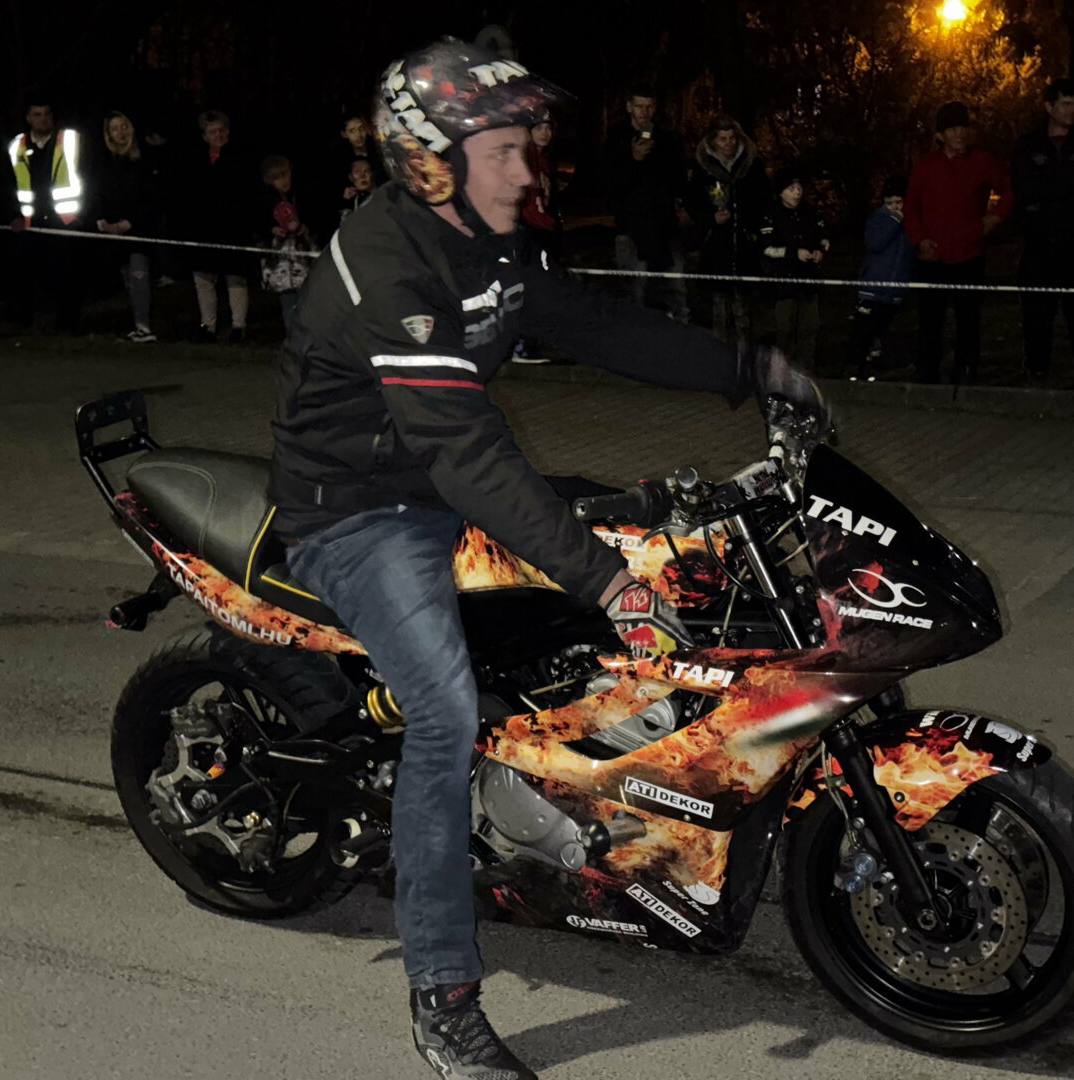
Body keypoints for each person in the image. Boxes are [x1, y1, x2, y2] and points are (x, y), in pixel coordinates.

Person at [268, 38, 822, 1080]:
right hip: (360, 512)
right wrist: (607, 582)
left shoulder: (490, 241)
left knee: (659, 539)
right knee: (443, 713)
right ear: (431, 163)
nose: (529, 170)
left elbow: (590, 322)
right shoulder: (389, 264)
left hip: (442, 480)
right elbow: (468, 455)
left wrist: (747, 370)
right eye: (506, 151)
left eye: (530, 147)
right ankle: (443, 999)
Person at [904, 101, 1014, 383]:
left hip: (970, 253)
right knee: (930, 318)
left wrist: (996, 218)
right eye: (952, 129)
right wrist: (920, 240)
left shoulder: (983, 162)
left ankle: (967, 369)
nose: (960, 134)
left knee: (969, 318)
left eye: (963, 127)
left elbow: (1010, 188)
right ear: (940, 135)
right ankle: (927, 371)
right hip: (933, 255)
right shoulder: (926, 167)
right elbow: (911, 206)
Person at [1011, 78, 1074, 387]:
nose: (1072, 110)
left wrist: (1054, 186)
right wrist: (1062, 186)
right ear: (1049, 107)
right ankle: (1037, 371)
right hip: (1039, 244)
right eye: (1066, 104)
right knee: (1037, 314)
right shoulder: (1029, 146)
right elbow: (1024, 189)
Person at [603, 85, 689, 321]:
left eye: (649, 107)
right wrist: (633, 160)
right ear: (629, 107)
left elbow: (679, 181)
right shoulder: (617, 140)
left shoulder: (666, 140)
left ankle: (679, 332)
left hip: (665, 226)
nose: (644, 112)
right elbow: (610, 184)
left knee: (674, 288)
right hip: (631, 227)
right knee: (634, 290)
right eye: (639, 106)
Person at [684, 114, 770, 344]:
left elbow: (763, 198)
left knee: (745, 304)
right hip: (715, 244)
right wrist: (710, 219)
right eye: (723, 139)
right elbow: (693, 202)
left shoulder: (752, 166)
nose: (728, 143)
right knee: (718, 304)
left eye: (732, 138)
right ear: (713, 141)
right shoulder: (703, 169)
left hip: (745, 243)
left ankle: (745, 350)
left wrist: (750, 223)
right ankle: (719, 349)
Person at [6, 101, 84, 332]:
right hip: (29, 221)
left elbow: (88, 177)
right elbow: (8, 184)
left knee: (66, 276)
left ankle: (67, 325)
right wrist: (13, 215)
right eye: (37, 114)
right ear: (28, 118)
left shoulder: (70, 140)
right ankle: (21, 321)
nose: (43, 119)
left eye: (46, 114)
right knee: (24, 275)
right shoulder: (16, 145)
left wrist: (82, 216)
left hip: (65, 220)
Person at [93, 111, 163, 342]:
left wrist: (130, 221)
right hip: (113, 229)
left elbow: (150, 197)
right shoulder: (104, 161)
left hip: (138, 228)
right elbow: (97, 192)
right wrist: (102, 220)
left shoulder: (143, 159)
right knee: (127, 277)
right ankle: (136, 324)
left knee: (139, 273)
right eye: (115, 128)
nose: (121, 132)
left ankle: (144, 326)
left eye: (124, 126)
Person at [183, 110, 252, 343]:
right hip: (204, 228)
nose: (218, 135)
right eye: (213, 132)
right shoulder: (196, 162)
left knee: (235, 277)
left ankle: (238, 326)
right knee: (204, 277)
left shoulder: (241, 158)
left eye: (222, 130)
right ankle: (208, 326)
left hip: (234, 227)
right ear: (205, 136)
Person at [760, 168, 830, 367]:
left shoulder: (810, 212)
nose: (797, 192)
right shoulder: (772, 215)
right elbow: (766, 248)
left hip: (808, 281)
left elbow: (824, 237)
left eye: (799, 188)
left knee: (809, 328)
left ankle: (806, 369)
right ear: (781, 192)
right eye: (791, 188)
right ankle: (784, 369)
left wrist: (820, 251)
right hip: (783, 283)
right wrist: (793, 253)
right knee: (785, 329)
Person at [848, 175, 913, 379]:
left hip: (896, 288)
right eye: (889, 203)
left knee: (883, 329)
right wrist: (896, 221)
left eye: (899, 202)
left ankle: (878, 365)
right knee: (864, 329)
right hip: (873, 285)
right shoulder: (879, 219)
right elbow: (875, 243)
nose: (894, 207)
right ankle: (857, 364)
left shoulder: (912, 222)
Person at [258, 154, 313, 333]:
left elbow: (315, 218)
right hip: (281, 265)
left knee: (308, 303)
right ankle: (293, 339)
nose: (283, 180)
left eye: (285, 174)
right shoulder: (265, 201)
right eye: (277, 177)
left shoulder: (301, 195)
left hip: (303, 262)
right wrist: (272, 230)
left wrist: (304, 228)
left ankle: (310, 340)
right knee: (289, 305)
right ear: (269, 181)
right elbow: (256, 225)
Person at [521, 112, 560, 240]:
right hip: (528, 223)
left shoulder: (547, 160)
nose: (545, 133)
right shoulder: (524, 159)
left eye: (548, 128)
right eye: (538, 128)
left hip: (544, 219)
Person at [339, 157, 374, 227]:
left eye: (366, 171)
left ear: (372, 174)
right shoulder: (353, 200)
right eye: (357, 172)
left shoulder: (383, 194)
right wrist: (346, 202)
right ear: (351, 177)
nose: (362, 176)